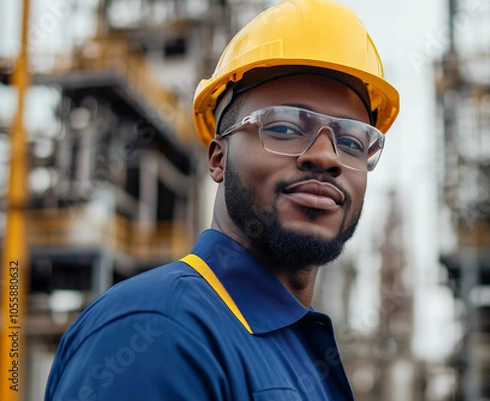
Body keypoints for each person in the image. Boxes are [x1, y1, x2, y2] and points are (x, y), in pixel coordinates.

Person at [44, 0, 400, 399]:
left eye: (351, 141)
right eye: (284, 127)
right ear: (218, 158)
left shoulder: (297, 349)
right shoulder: (159, 331)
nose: (326, 156)